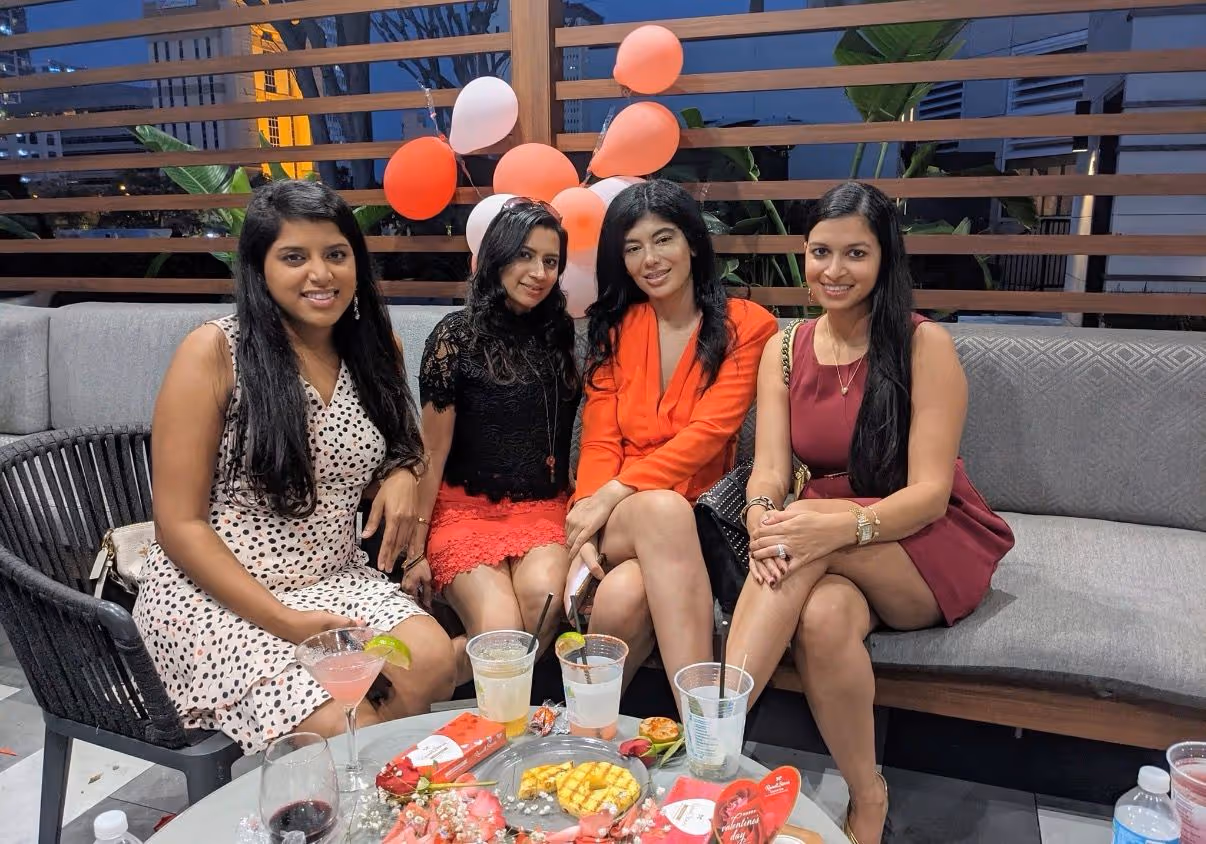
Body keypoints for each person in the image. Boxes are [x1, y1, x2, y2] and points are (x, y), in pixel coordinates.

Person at [727, 182, 1015, 844]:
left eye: (855, 253)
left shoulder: (922, 346)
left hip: (924, 537)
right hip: (828, 533)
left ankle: (715, 733)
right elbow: (770, 468)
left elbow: (929, 494)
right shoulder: (784, 348)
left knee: (800, 545)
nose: (834, 270)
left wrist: (835, 527)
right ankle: (869, 793)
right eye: (820, 252)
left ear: (885, 259)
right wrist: (763, 510)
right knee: (823, 616)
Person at [133, 180, 457, 754]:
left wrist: (405, 471)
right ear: (259, 269)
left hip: (331, 576)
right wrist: (287, 621)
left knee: (431, 663)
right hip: (216, 591)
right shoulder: (213, 352)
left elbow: (402, 441)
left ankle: (377, 795)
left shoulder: (374, 347)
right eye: (293, 257)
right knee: (346, 726)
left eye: (335, 254)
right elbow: (177, 524)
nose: (320, 274)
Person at [565, 179, 778, 692]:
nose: (650, 259)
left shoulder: (748, 326)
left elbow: (711, 431)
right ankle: (707, 728)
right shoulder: (614, 329)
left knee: (622, 596)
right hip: (619, 517)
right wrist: (591, 511)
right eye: (633, 248)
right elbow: (599, 442)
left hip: (696, 520)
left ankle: (592, 733)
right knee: (659, 509)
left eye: (663, 239)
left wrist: (617, 489)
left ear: (692, 242)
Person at [406, 200, 580, 680]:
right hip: (463, 509)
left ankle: (437, 673)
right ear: (498, 257)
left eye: (550, 261)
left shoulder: (560, 334)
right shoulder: (453, 336)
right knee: (502, 628)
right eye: (525, 256)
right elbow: (432, 449)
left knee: (543, 599)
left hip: (542, 510)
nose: (539, 272)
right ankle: (436, 681)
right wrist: (414, 549)